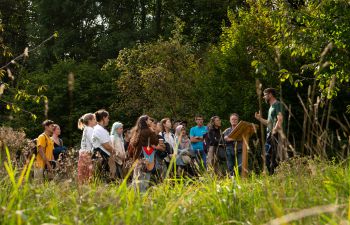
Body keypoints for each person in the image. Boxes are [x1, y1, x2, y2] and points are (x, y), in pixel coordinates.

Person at [255, 88, 285, 174]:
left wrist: (274, 131)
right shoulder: (271, 107)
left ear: (270, 94)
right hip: (270, 133)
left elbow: (280, 119)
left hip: (276, 134)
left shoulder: (278, 104)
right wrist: (259, 118)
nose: (264, 97)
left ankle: (275, 175)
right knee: (268, 156)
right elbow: (269, 123)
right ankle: (273, 175)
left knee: (271, 156)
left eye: (265, 95)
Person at [129, 115, 159, 192]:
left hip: (137, 158)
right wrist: (152, 130)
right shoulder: (148, 131)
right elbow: (156, 141)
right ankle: (142, 197)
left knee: (136, 178)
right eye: (149, 120)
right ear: (145, 121)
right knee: (144, 179)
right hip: (146, 158)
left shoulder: (136, 131)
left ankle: (134, 196)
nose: (151, 121)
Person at [92, 109, 116, 180]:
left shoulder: (102, 129)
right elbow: (106, 145)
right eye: (107, 118)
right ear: (103, 118)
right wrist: (114, 151)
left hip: (105, 156)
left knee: (107, 179)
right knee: (102, 179)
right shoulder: (98, 129)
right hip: (101, 156)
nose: (108, 120)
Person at [77, 113, 96, 184]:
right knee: (88, 175)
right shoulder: (90, 129)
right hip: (87, 154)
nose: (95, 121)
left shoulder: (86, 129)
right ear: (89, 121)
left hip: (83, 153)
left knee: (83, 175)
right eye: (94, 119)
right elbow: (93, 142)